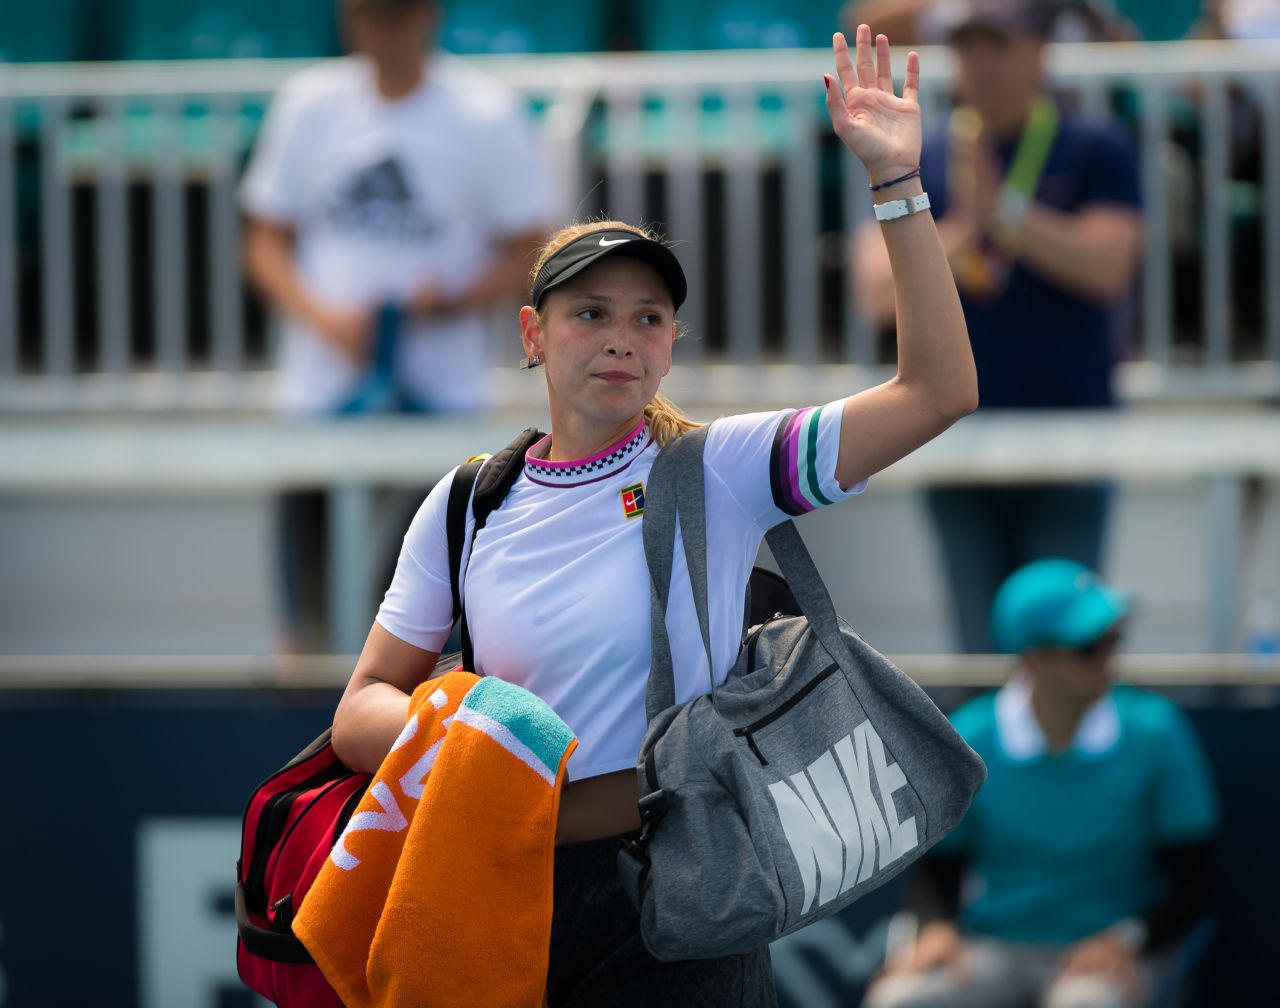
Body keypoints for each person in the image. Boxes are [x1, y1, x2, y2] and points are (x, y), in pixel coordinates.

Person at [330, 25, 977, 1006]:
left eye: (646, 317)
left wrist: (896, 186)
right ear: (531, 337)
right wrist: (468, 734)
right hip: (494, 895)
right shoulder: (466, 500)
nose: (620, 338)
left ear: (671, 345)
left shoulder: (716, 469)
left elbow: (936, 391)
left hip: (680, 912)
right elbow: (360, 709)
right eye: (589, 313)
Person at [239, 0, 554, 652]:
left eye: (395, 13)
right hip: (321, 393)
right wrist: (328, 320)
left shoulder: (485, 112)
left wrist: (451, 301)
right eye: (367, 14)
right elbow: (264, 242)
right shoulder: (309, 104)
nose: (381, 30)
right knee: (309, 607)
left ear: (429, 15)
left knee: (420, 613)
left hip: (442, 399)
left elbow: (532, 248)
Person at [852, 0, 1144, 653]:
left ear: (1041, 52)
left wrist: (1003, 213)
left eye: (999, 46)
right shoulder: (912, 152)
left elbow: (1107, 266)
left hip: (1071, 432)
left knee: (1068, 646)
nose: (981, 65)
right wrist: (964, 233)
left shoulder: (1094, 146)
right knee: (978, 650)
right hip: (952, 436)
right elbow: (873, 293)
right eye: (969, 47)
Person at [864, 558, 1219, 1008]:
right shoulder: (970, 736)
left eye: (1114, 638)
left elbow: (1196, 880)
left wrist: (1127, 939)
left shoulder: (1158, 731)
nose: (1110, 656)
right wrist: (936, 927)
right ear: (1035, 659)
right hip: (992, 947)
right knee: (898, 1000)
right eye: (1090, 645)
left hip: (1111, 954)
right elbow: (941, 866)